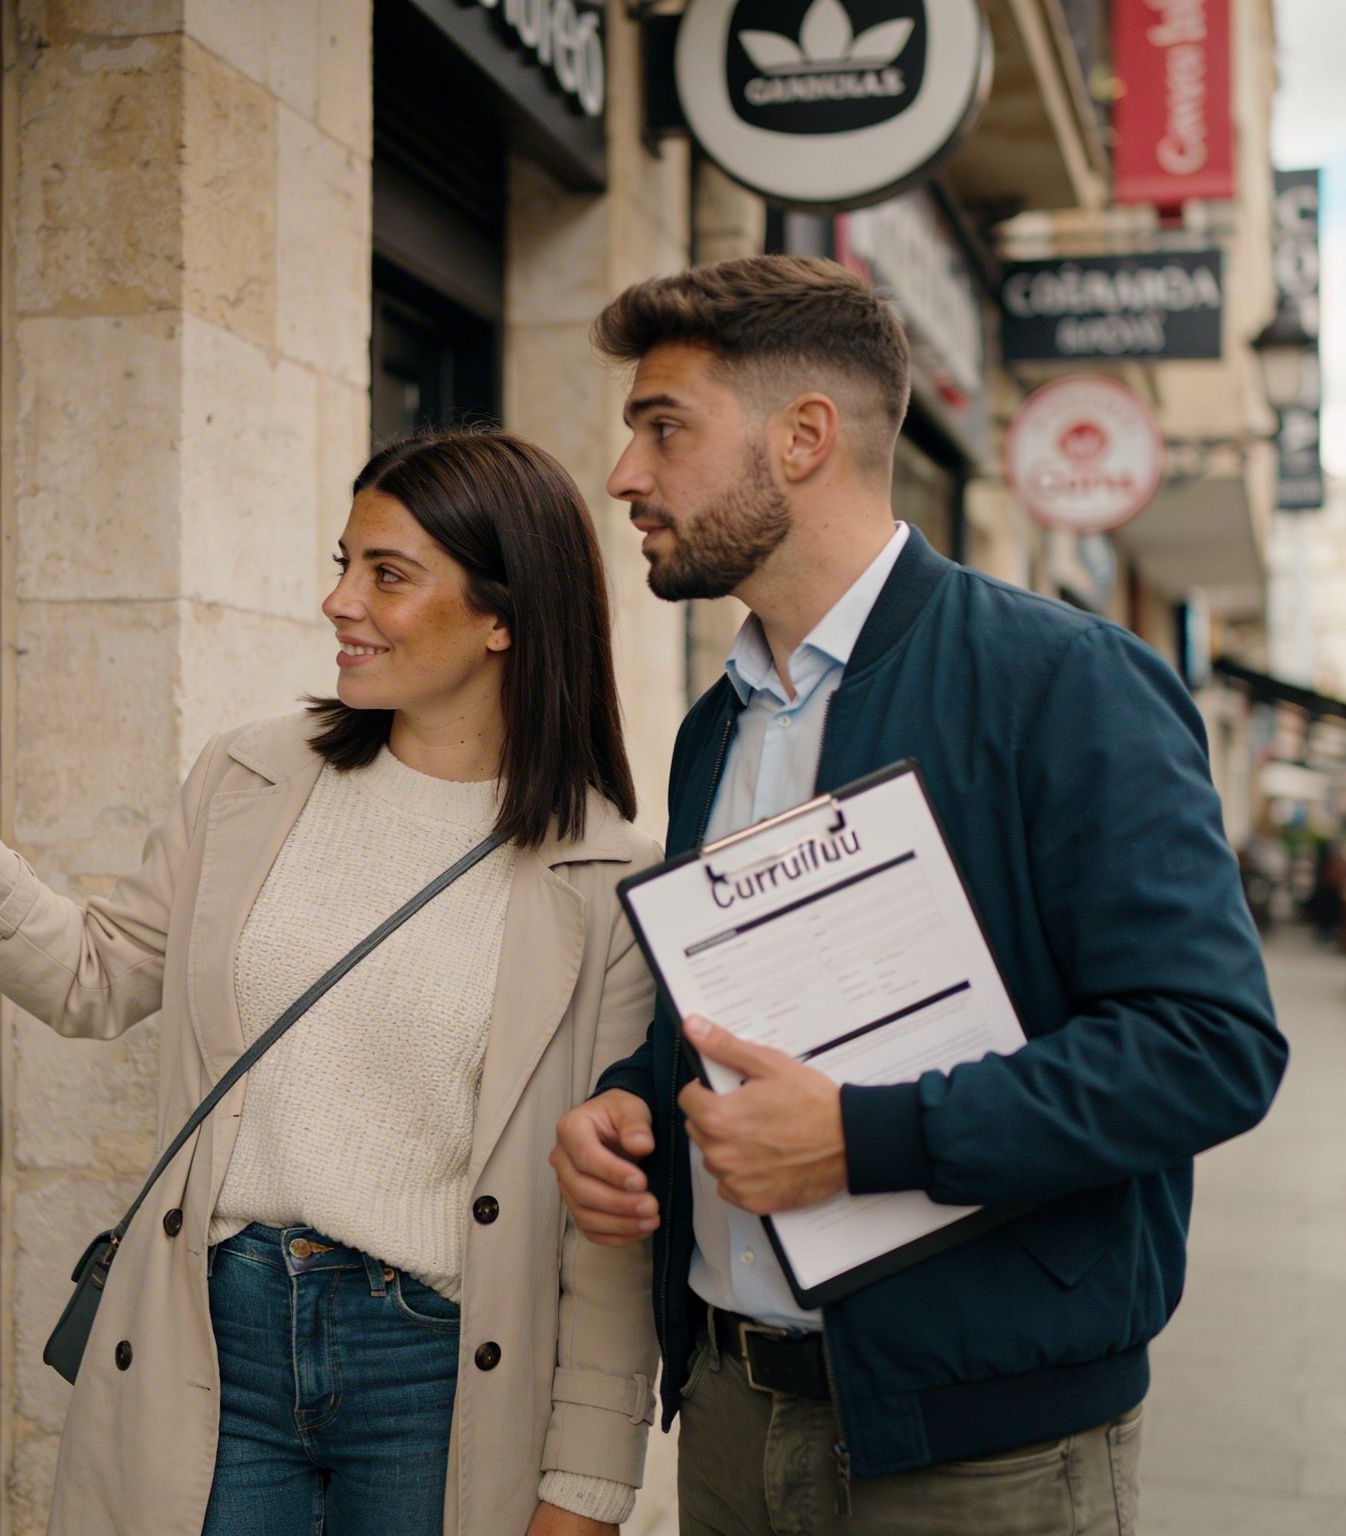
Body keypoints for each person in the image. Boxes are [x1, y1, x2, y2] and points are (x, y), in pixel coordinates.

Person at [0, 430, 660, 1536]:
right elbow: (93, 975)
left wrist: (585, 1491)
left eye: (387, 574)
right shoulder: (251, 779)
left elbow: (607, 1223)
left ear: (503, 616)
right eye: (343, 560)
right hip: (214, 1339)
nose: (339, 600)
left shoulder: (603, 876)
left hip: (441, 1372)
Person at [548, 256, 1287, 1534]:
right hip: (728, 1413)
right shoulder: (715, 727)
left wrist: (866, 1139)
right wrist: (630, 1104)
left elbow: (1211, 1048)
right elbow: (728, 1025)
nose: (625, 476)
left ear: (804, 437)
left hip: (979, 1455)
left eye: (663, 427)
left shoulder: (1066, 683)